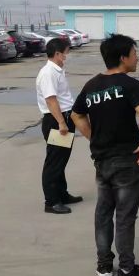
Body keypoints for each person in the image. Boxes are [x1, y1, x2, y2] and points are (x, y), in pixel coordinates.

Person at [71, 34, 139, 276]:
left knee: (103, 213)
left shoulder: (91, 85)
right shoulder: (130, 84)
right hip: (127, 161)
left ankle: (104, 265)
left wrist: (94, 137)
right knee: (125, 216)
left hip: (101, 160)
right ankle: (127, 270)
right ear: (123, 57)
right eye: (134, 53)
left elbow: (76, 115)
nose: (137, 58)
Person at [36, 37, 81, 214]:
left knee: (61, 160)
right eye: (65, 53)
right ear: (57, 54)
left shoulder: (57, 70)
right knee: (54, 162)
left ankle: (62, 194)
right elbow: (51, 100)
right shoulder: (48, 73)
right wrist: (62, 123)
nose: (66, 56)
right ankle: (51, 201)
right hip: (56, 121)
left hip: (64, 118)